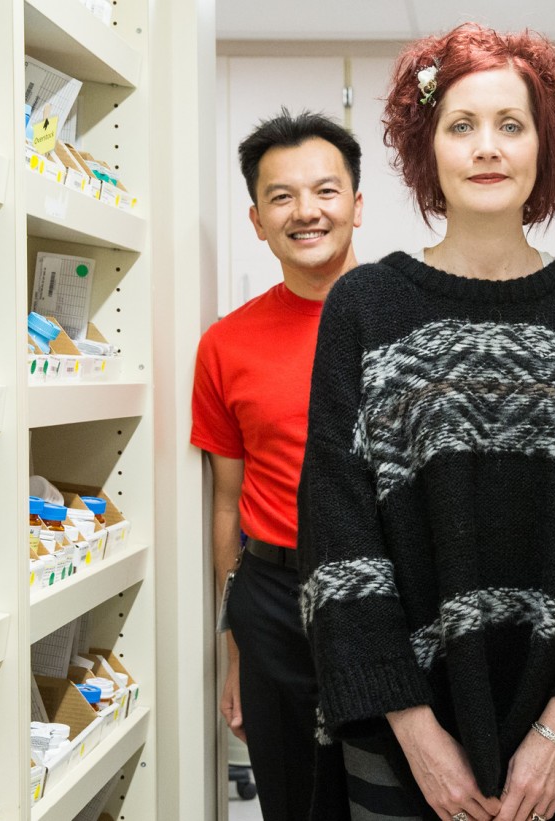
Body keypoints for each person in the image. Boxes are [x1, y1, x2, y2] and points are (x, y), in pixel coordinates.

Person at [295, 24, 555, 821]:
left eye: (511, 124)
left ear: (546, 145)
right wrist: (414, 728)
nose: (487, 147)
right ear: (426, 147)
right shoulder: (363, 308)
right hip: (402, 732)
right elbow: (337, 529)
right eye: (461, 125)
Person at [192, 108, 363, 821]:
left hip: (386, 586)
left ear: (356, 204)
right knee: (293, 797)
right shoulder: (226, 345)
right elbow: (227, 504)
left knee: (400, 790)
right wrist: (235, 645)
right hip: (273, 595)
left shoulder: (406, 322)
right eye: (281, 196)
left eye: (325, 190)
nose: (306, 212)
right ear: (258, 220)